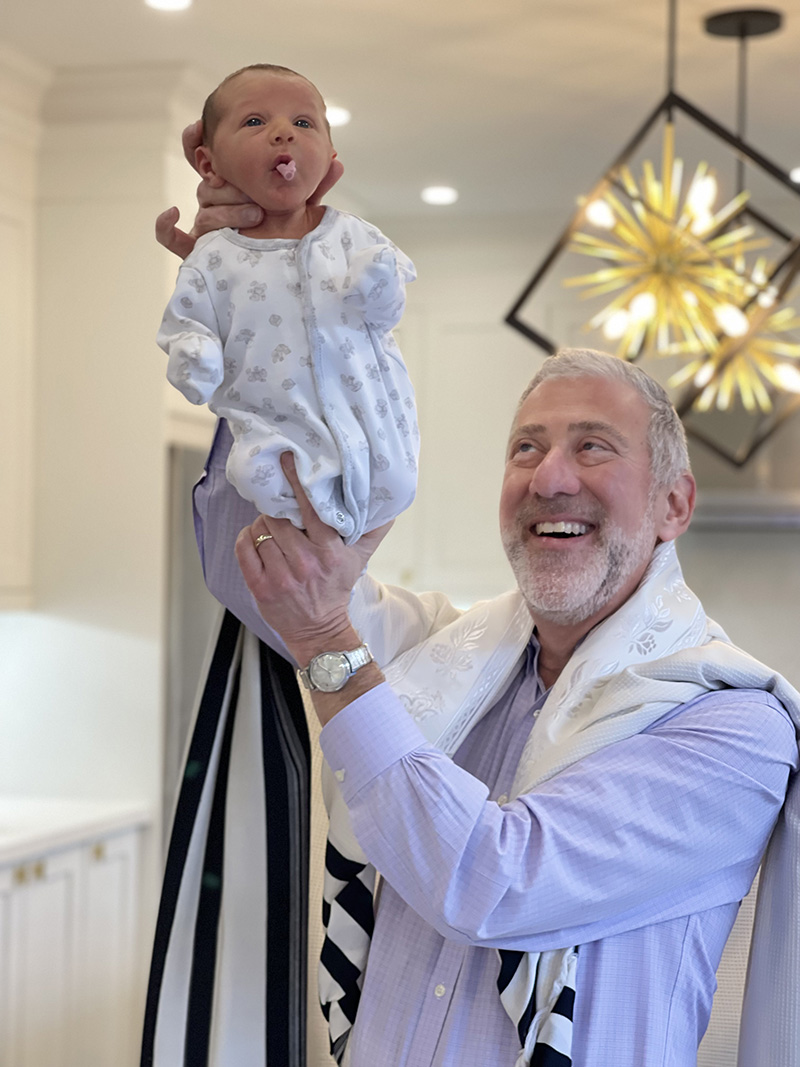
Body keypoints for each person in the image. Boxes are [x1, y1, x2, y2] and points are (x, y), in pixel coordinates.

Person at [147, 337, 797, 1067]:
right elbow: (247, 564)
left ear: (673, 504)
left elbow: (500, 882)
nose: (548, 477)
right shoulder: (443, 654)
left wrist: (329, 642)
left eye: (592, 447)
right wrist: (262, 318)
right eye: (526, 447)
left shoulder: (733, 727)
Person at [157, 64, 418, 544]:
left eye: (303, 122)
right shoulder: (212, 256)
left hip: (369, 414)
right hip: (271, 428)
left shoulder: (352, 235)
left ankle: (339, 555)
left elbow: (387, 312)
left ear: (330, 156)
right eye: (255, 121)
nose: (284, 133)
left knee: (395, 479)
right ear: (209, 164)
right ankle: (319, 552)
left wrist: (379, 281)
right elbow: (187, 319)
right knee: (258, 473)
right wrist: (195, 353)